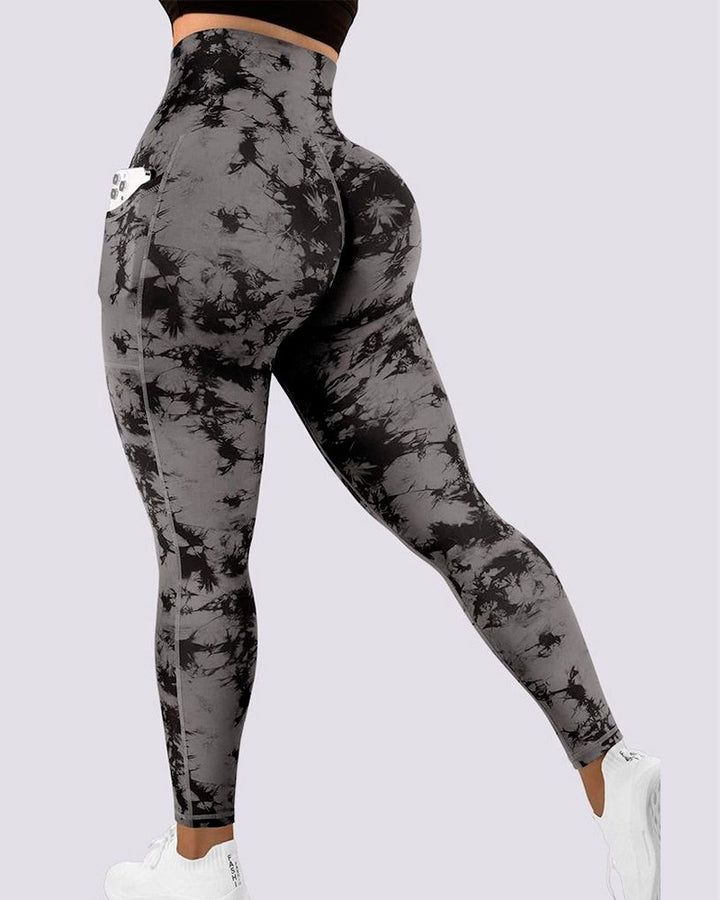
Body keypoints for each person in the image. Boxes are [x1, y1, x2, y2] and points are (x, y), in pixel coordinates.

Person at [97, 3, 660, 899]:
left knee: (200, 556)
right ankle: (612, 766)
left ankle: (199, 862)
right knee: (458, 517)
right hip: (350, 186)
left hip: (213, 179)